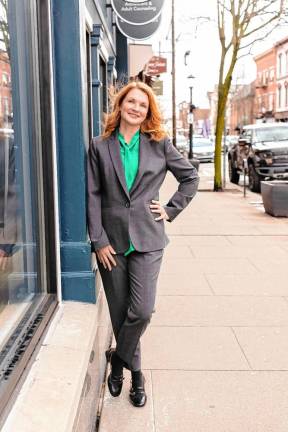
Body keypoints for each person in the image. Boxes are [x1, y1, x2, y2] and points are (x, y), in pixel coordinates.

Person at [87, 81, 199, 408]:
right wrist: (99, 240)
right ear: (120, 105)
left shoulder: (159, 144)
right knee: (122, 313)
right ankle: (135, 373)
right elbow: (93, 195)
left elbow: (190, 178)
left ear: (148, 112)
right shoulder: (99, 145)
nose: (136, 108)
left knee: (143, 310)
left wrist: (170, 208)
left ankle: (117, 358)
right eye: (131, 102)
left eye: (143, 105)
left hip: (149, 239)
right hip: (113, 243)